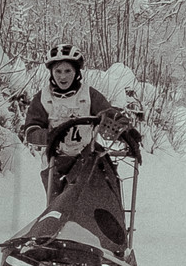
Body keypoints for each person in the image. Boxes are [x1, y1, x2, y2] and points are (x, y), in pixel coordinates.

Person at [21, 43, 137, 193]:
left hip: (85, 159)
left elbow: (109, 114)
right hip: (55, 163)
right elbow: (31, 130)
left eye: (68, 71)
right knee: (59, 208)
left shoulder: (89, 95)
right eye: (58, 71)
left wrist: (125, 131)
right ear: (51, 73)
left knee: (91, 202)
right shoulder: (43, 98)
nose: (63, 76)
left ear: (76, 72)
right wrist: (50, 136)